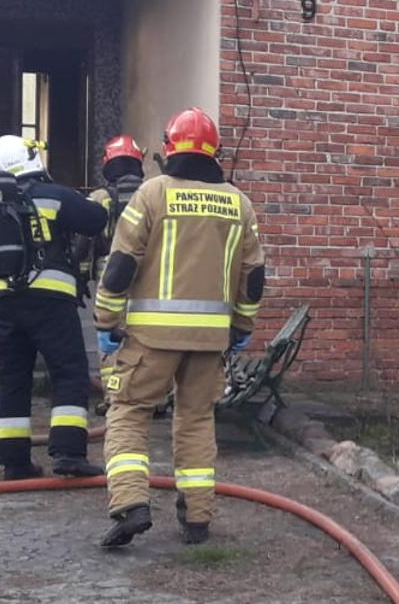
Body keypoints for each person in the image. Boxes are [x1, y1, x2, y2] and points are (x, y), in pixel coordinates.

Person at [92, 108, 264, 548]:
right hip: (210, 341)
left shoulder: (152, 195)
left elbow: (121, 266)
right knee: (196, 420)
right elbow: (254, 276)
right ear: (215, 151)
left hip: (150, 338)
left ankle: (132, 504)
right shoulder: (238, 203)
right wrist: (241, 325)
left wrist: (106, 321)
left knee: (129, 412)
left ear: (169, 148)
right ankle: (198, 517)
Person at [0, 135, 109, 480]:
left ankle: (14, 462)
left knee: (12, 381)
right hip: (51, 302)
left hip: (6, 304)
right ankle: (68, 454)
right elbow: (95, 219)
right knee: (69, 373)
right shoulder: (52, 195)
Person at [80, 135, 149, 399]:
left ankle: (113, 396)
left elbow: (85, 240)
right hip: (148, 275)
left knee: (110, 332)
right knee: (144, 336)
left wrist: (81, 274)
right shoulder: (152, 193)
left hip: (110, 273)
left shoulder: (100, 197)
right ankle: (152, 397)